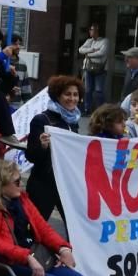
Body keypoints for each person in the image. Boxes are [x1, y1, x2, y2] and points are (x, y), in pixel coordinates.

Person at [25, 75, 83, 223]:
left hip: (67, 183)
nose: (72, 98)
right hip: (44, 183)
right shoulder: (41, 120)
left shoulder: (74, 121)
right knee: (35, 228)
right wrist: (42, 146)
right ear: (57, 96)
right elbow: (31, 155)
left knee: (75, 227)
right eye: (67, 94)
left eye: (75, 94)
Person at [78, 24, 108, 114]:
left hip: (100, 68)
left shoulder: (104, 41)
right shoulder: (89, 41)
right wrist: (92, 49)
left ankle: (101, 110)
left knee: (99, 91)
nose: (90, 31)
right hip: (88, 68)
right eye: (90, 29)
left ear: (97, 30)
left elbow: (101, 53)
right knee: (87, 90)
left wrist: (88, 55)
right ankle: (87, 109)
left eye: (92, 29)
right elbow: (80, 50)